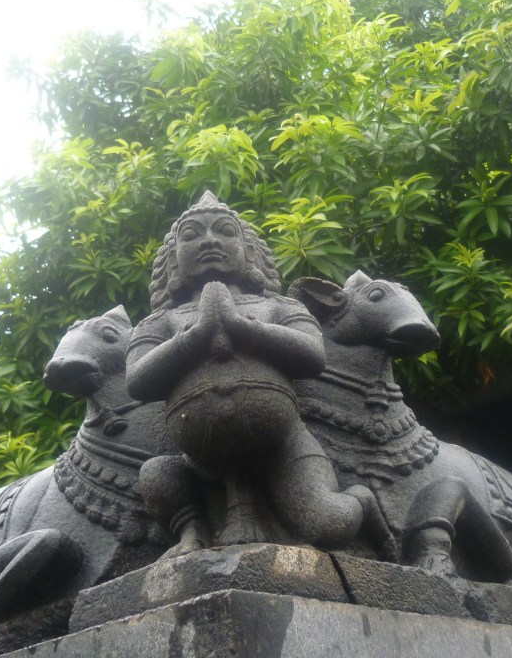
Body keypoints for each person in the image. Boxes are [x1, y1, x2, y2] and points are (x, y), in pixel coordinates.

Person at [127, 192, 396, 558]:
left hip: (283, 446)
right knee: (155, 475)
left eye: (225, 231)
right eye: (191, 235)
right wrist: (195, 335)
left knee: (328, 524)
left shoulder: (278, 305)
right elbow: (137, 380)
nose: (209, 241)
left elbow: (313, 355)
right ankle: (193, 531)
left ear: (249, 252)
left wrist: (242, 327)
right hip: (201, 460)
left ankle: (362, 503)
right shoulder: (160, 321)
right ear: (173, 261)